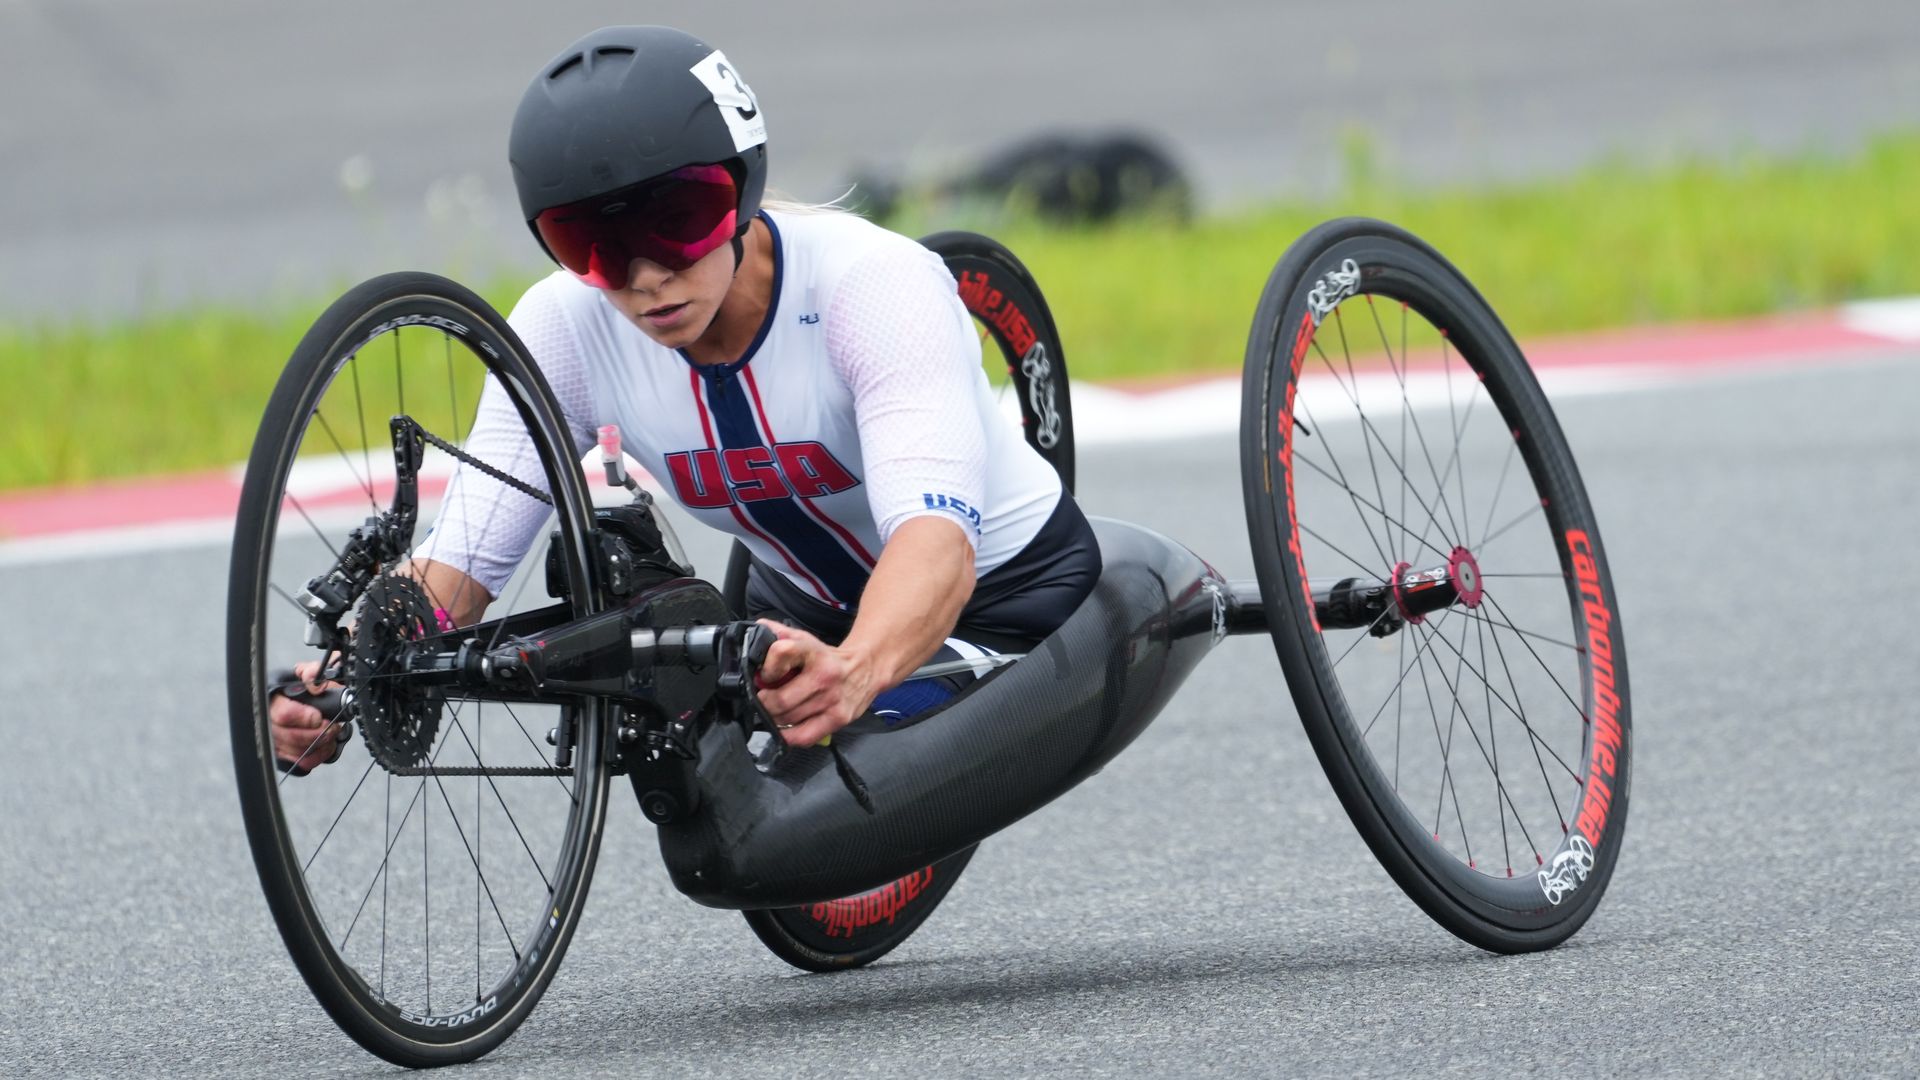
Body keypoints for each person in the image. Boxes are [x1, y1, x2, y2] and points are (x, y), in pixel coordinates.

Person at [271, 24, 1100, 772]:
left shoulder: (873, 285)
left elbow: (935, 545)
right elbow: (467, 559)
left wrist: (855, 672)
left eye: (679, 219)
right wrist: (354, 676)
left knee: (794, 810)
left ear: (741, 190)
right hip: (796, 612)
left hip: (1001, 602)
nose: (646, 277)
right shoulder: (564, 326)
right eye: (591, 244)